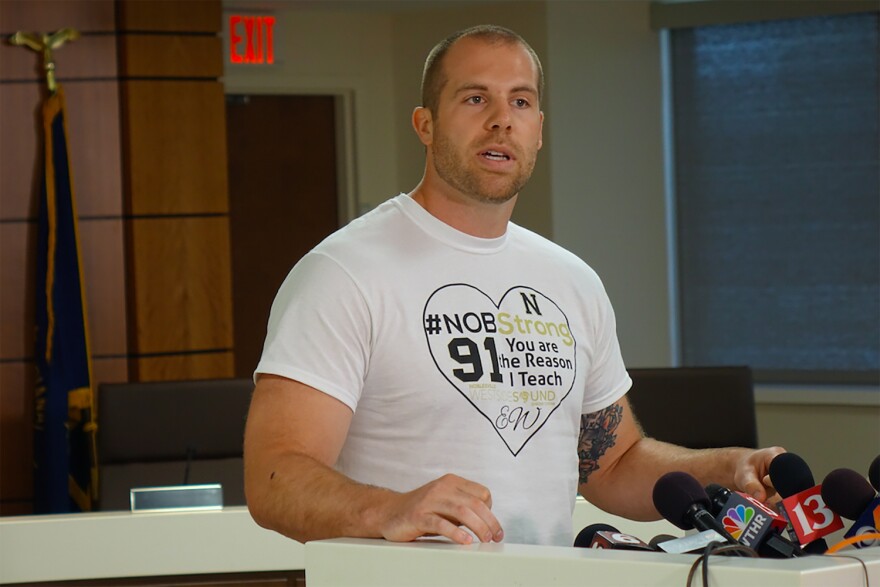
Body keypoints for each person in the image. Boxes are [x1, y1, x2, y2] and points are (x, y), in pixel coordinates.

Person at [243, 24, 785, 547]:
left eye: (520, 102)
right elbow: (275, 477)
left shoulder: (572, 281)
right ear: (425, 124)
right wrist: (389, 509)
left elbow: (612, 464)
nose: (502, 120)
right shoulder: (343, 272)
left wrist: (726, 467)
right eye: (475, 98)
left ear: (539, 130)